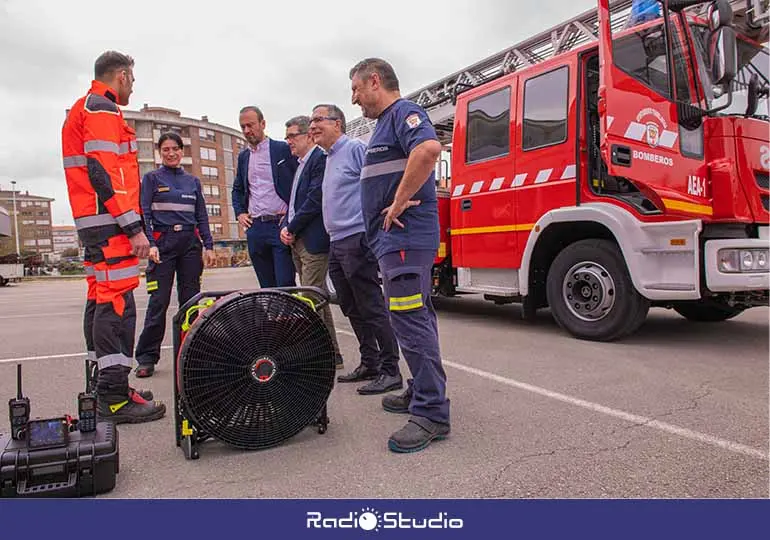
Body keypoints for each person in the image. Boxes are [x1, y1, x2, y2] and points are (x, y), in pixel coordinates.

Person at [349, 58, 450, 452]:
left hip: (404, 240)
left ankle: (431, 413)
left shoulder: (403, 113)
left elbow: (428, 149)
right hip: (394, 242)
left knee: (409, 320)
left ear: (375, 81)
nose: (354, 98)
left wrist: (398, 201)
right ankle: (421, 389)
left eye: (356, 89)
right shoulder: (385, 125)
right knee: (415, 318)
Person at [61, 50, 165, 424]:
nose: (133, 88)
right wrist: (133, 226)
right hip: (110, 222)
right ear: (120, 76)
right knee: (117, 303)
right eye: (132, 81)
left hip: (96, 220)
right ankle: (114, 397)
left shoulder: (82, 108)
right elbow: (103, 171)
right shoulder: (102, 110)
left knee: (100, 297)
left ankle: (103, 390)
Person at [308, 104, 402, 395]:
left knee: (371, 305)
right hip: (336, 242)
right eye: (311, 120)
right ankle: (370, 362)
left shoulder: (355, 149)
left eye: (317, 119)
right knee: (350, 306)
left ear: (337, 124)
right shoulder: (329, 158)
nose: (312, 125)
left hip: (356, 238)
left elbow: (379, 183)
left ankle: (391, 370)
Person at [133, 132, 217, 378]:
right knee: (158, 302)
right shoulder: (151, 179)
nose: (171, 153)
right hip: (163, 246)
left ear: (182, 151)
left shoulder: (193, 181)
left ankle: (190, 354)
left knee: (190, 303)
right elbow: (144, 214)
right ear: (160, 152)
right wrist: (151, 244)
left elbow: (201, 216)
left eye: (175, 149)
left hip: (190, 244)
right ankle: (147, 357)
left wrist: (208, 245)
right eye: (166, 149)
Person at [280, 116, 344, 369]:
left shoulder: (319, 160)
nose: (288, 142)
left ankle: (325, 356)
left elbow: (314, 200)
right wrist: (285, 226)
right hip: (297, 240)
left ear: (308, 136)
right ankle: (327, 353)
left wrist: (292, 227)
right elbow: (293, 203)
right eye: (286, 137)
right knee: (313, 296)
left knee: (311, 296)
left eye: (292, 136)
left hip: (313, 241)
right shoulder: (300, 165)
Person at [232, 106, 298, 288]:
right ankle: (271, 318)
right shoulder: (244, 157)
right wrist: (239, 213)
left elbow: (299, 183)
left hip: (279, 225)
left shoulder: (282, 149)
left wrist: (292, 216)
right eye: (243, 126)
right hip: (255, 228)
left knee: (285, 284)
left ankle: (290, 317)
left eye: (251, 125)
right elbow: (237, 189)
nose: (246, 131)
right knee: (266, 286)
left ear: (263, 124)